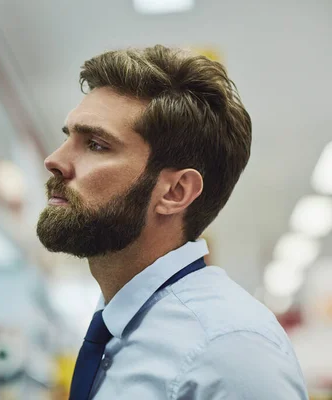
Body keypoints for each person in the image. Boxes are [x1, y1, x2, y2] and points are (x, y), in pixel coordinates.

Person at [36, 45, 308, 400]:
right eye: (67, 136)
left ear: (175, 192)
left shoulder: (229, 352)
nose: (54, 160)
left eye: (96, 145)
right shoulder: (123, 325)